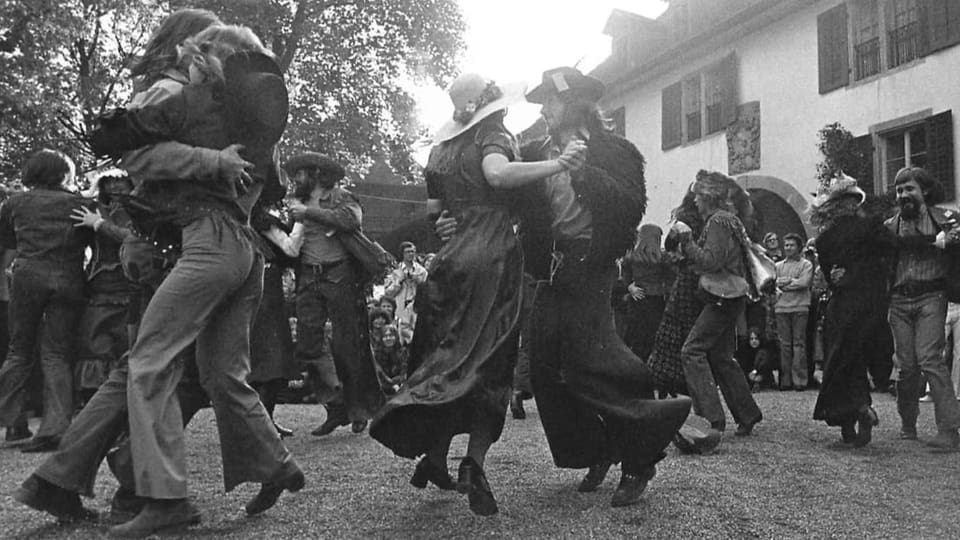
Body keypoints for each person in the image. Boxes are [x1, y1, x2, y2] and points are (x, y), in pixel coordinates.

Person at [370, 71, 587, 516]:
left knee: (447, 356)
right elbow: (498, 174)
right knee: (490, 359)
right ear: (492, 107)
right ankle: (474, 462)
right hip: (492, 255)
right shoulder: (492, 135)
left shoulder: (440, 150)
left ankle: (433, 456)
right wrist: (559, 164)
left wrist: (446, 226)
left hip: (449, 260)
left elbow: (435, 214)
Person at [517, 67, 690, 506]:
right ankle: (598, 447)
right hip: (551, 272)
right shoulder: (537, 151)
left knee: (599, 364)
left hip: (592, 266)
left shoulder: (616, 151)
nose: (543, 110)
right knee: (545, 368)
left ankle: (640, 459)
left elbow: (632, 207)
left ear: (573, 103)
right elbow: (510, 196)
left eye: (549, 102)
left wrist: (583, 173)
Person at [271, 151, 383, 437]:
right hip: (308, 278)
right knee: (308, 345)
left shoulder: (341, 197)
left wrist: (308, 213)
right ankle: (336, 405)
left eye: (300, 173)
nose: (296, 179)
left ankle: (359, 410)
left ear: (318, 174)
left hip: (340, 276)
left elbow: (351, 221)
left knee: (349, 345)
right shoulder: (296, 203)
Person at [0, 149, 91, 454]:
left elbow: (7, 245)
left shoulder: (15, 204)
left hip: (28, 276)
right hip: (68, 277)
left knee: (18, 350)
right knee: (57, 354)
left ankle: (12, 423)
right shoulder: (80, 204)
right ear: (65, 173)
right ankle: (55, 428)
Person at [673, 170, 763, 438]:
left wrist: (687, 242)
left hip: (721, 298)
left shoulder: (718, 221)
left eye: (698, 197)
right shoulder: (729, 220)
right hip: (730, 297)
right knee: (722, 357)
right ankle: (747, 415)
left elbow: (712, 261)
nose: (696, 203)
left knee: (692, 351)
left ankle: (711, 419)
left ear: (707, 197)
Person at [812, 175, 896, 446]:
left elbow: (829, 274)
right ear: (854, 202)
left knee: (840, 361)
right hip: (871, 302)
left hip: (844, 303)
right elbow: (893, 247)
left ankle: (851, 418)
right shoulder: (871, 227)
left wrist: (841, 275)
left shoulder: (825, 239)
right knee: (859, 357)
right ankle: (861, 407)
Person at [884, 167, 960, 449]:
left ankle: (950, 430)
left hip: (932, 295)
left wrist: (950, 240)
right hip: (899, 300)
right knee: (906, 366)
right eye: (899, 190)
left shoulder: (947, 220)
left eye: (909, 189)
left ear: (924, 191)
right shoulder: (890, 226)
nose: (903, 194)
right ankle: (908, 422)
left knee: (930, 358)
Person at [71, 172, 139, 405]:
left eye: (120, 182)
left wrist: (99, 224)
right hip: (101, 284)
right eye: (109, 183)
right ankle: (93, 400)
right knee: (95, 340)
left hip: (129, 283)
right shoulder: (93, 206)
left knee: (122, 341)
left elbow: (132, 238)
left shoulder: (139, 209)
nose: (115, 187)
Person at [619, 224, 676, 361]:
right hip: (656, 300)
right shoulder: (663, 258)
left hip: (637, 298)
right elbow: (671, 280)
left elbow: (624, 278)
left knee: (634, 334)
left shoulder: (631, 257)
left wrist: (629, 287)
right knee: (651, 337)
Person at [774, 232, 813, 391]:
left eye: (792, 245)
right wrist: (790, 282)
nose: (788, 248)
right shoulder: (777, 266)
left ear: (799, 247)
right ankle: (785, 380)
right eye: (786, 245)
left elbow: (804, 283)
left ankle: (800, 380)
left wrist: (785, 283)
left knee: (799, 343)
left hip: (800, 307)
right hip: (781, 308)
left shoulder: (806, 265)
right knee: (785, 345)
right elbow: (774, 283)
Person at [384, 241, 428, 338]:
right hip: (400, 306)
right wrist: (399, 282)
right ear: (402, 254)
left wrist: (418, 281)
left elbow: (427, 291)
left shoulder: (422, 271)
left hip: (415, 306)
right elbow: (387, 293)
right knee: (398, 332)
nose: (411, 254)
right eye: (408, 252)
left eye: (413, 252)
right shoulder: (395, 271)